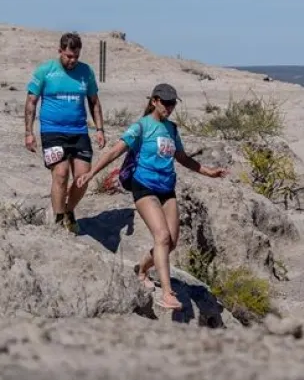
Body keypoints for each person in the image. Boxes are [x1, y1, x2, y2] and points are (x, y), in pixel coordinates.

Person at [76, 83, 227, 310]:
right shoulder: (141, 127)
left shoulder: (172, 129)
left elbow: (183, 158)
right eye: (165, 102)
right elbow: (116, 150)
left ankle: (143, 269)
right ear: (154, 101)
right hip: (144, 185)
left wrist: (208, 171)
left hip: (167, 188)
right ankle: (167, 293)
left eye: (172, 103)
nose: (169, 107)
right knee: (162, 236)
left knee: (171, 242)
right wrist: (91, 173)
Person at [24, 31, 106, 233]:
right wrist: (29, 132)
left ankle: (69, 211)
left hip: (79, 131)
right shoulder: (45, 71)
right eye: (69, 56)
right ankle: (59, 220)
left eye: (76, 56)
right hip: (52, 131)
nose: (72, 61)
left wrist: (100, 129)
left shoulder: (86, 72)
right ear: (60, 51)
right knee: (61, 175)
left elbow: (94, 102)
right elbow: (31, 103)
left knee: (83, 177)